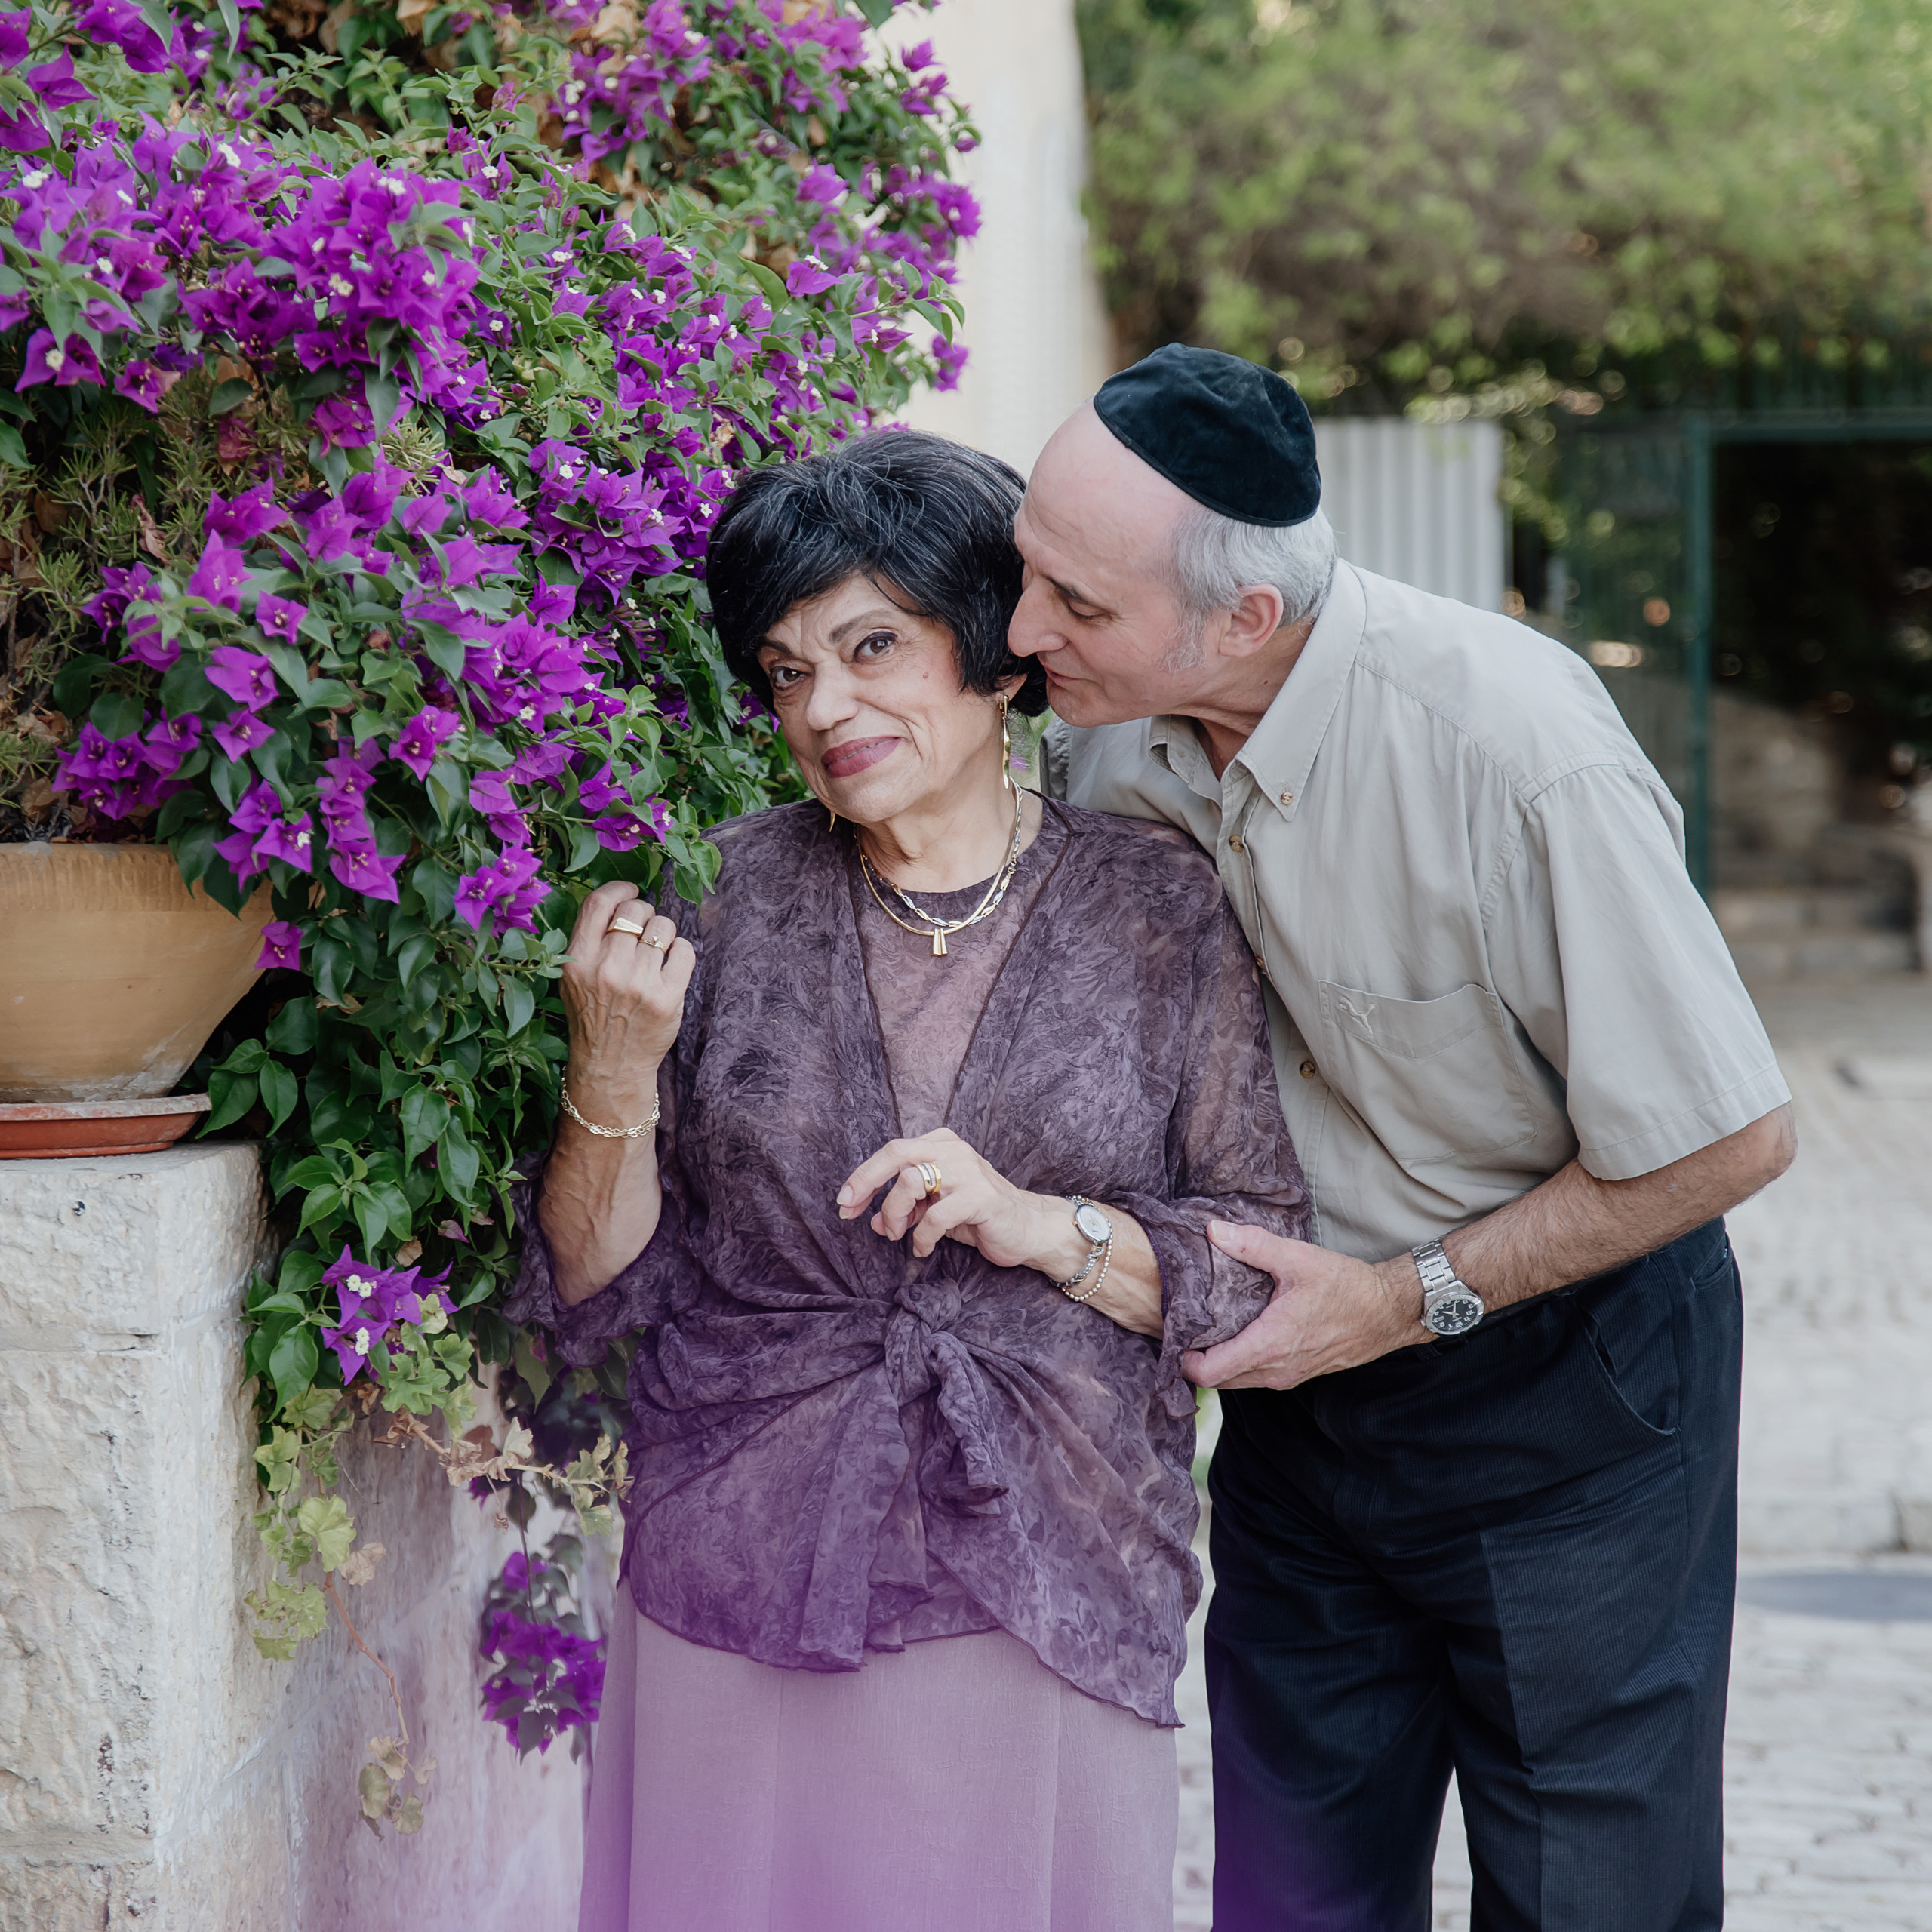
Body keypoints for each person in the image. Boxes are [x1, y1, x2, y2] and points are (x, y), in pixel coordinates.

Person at [1017, 344, 1796, 1932]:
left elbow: (1729, 1137)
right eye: (1026, 574)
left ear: (1244, 618)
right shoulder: (1101, 740)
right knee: (1292, 1898)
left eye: (1074, 604)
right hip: (1301, 1412)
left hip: (1571, 1398)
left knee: (1594, 1897)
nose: (1024, 635)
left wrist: (1400, 1295)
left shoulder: (1513, 745)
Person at [504, 429, 1308, 1932]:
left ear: (997, 655)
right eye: (785, 668)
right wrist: (608, 1070)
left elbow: (1253, 1256)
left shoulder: (1158, 908)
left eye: (872, 645)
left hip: (1046, 1567)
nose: (824, 705)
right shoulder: (718, 897)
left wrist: (1041, 1225)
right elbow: (589, 1303)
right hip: (737, 1569)